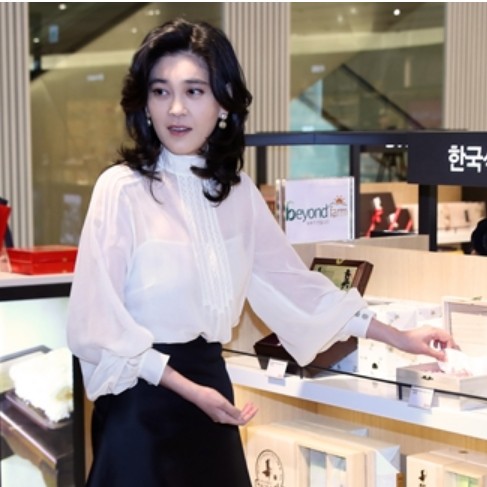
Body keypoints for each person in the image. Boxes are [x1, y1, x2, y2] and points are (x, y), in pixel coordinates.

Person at [66, 18, 456, 487]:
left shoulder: (237, 193)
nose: (176, 108)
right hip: (142, 404)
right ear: (144, 104)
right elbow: (96, 324)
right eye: (160, 91)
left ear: (223, 103)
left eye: (194, 91)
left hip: (211, 393)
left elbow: (294, 286)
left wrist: (399, 336)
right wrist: (191, 390)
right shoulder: (121, 189)